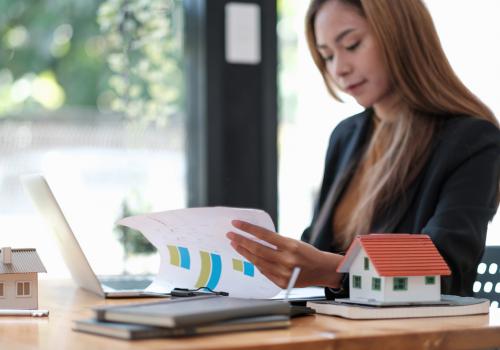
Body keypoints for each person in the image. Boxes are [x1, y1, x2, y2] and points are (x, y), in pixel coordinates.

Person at [226, 0, 500, 297]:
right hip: (337, 329)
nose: (339, 69)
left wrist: (334, 271)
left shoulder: (472, 140)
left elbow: (445, 273)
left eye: (352, 45)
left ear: (400, 35)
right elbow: (319, 245)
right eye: (327, 56)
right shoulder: (346, 135)